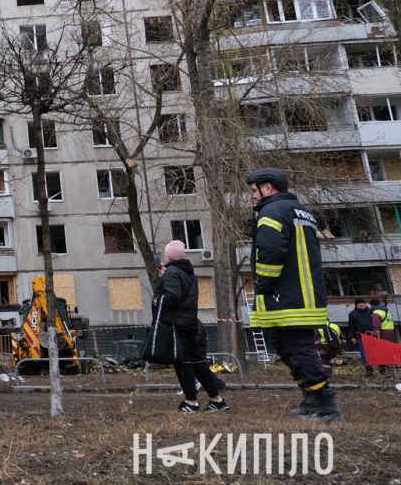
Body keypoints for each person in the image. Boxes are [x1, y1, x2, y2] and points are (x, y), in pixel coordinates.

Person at [248, 167, 340, 422]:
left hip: (286, 297)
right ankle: (311, 398)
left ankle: (326, 406)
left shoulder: (271, 212)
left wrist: (264, 285)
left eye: (255, 191)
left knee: (298, 350)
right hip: (303, 294)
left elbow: (270, 252)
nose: (254, 197)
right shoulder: (301, 211)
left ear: (268, 187)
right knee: (285, 346)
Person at [155, 241, 228, 413]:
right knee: (198, 362)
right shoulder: (188, 272)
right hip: (191, 322)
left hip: (178, 324)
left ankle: (191, 401)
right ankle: (217, 399)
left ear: (169, 255)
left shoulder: (172, 272)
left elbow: (172, 295)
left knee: (183, 363)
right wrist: (165, 276)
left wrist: (158, 298)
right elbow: (180, 290)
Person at [347, 298, 374, 375]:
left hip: (372, 334)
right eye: (359, 303)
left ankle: (382, 369)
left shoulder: (371, 311)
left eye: (363, 303)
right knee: (364, 353)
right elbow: (351, 326)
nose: (361, 304)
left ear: (366, 304)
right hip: (361, 335)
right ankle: (369, 370)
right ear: (356, 305)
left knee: (376, 351)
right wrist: (352, 337)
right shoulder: (352, 314)